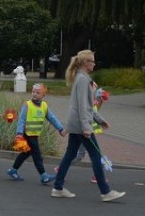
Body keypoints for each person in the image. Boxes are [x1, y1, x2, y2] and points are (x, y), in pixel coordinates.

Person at [52, 50, 126, 201]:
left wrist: (100, 120)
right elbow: (83, 106)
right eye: (92, 61)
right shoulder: (83, 79)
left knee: (70, 155)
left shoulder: (81, 78)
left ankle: (58, 187)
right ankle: (105, 192)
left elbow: (86, 106)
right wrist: (87, 127)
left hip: (76, 125)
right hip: (81, 126)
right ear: (85, 63)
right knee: (96, 156)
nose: (94, 63)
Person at [7, 83, 66, 184]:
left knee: (26, 153)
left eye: (38, 93)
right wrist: (19, 133)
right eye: (33, 92)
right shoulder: (27, 105)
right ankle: (44, 176)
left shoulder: (44, 106)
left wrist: (60, 128)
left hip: (34, 134)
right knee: (37, 155)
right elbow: (21, 119)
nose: (34, 94)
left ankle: (13, 170)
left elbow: (52, 118)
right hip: (27, 134)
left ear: (43, 95)